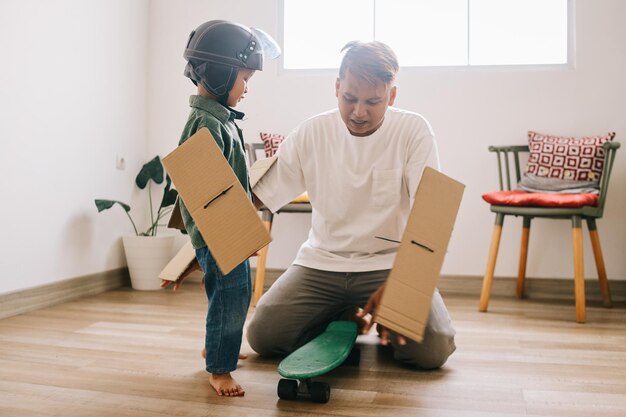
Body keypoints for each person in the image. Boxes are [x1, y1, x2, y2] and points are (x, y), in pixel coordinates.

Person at [247, 41, 456, 370]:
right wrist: (207, 243)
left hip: (388, 265)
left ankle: (379, 321)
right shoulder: (312, 132)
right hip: (321, 263)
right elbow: (256, 197)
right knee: (264, 336)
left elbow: (434, 213)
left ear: (392, 96)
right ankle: (344, 315)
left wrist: (404, 284)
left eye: (373, 101)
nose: (359, 112)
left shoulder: (414, 130)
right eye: (350, 99)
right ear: (337, 87)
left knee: (432, 350)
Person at [160, 20, 280, 397]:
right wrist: (202, 247)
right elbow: (198, 191)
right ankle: (219, 368)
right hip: (220, 232)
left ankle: (217, 346)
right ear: (219, 73)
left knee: (228, 296)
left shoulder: (220, 120)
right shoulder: (205, 124)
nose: (247, 89)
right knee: (233, 294)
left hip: (228, 228)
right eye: (244, 78)